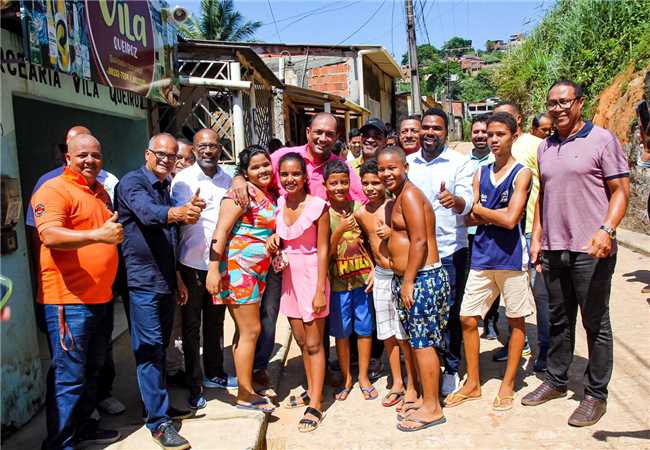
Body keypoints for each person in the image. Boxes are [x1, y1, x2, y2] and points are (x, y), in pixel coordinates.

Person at [230, 113, 365, 392]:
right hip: (284, 259)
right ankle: (259, 367)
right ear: (307, 132)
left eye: (329, 133)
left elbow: (361, 200)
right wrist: (238, 180)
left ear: (336, 137)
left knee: (320, 319)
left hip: (322, 255)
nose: (323, 138)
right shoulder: (284, 156)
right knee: (272, 316)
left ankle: (321, 374)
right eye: (318, 132)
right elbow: (255, 167)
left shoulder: (340, 167)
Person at [522, 80, 630, 427]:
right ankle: (556, 379)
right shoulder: (545, 147)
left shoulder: (602, 140)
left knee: (595, 322)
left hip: (592, 249)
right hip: (555, 248)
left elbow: (620, 191)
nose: (558, 108)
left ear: (580, 103)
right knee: (558, 318)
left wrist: (607, 230)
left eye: (565, 102)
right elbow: (544, 195)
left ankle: (595, 394)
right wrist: (538, 237)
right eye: (552, 103)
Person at [25, 126, 125, 417]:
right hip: (69, 301)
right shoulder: (53, 189)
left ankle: (84, 429)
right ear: (67, 157)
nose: (89, 160)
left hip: (100, 298)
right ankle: (61, 443)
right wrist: (99, 236)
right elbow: (50, 236)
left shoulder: (99, 192)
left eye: (95, 155)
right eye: (82, 155)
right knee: (67, 378)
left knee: (91, 369)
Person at [115, 133, 203, 450]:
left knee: (160, 347)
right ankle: (158, 423)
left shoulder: (165, 186)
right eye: (161, 154)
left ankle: (156, 407)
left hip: (164, 280)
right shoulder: (132, 183)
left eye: (172, 155)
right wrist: (179, 213)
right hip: (141, 282)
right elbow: (147, 214)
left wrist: (177, 278)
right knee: (150, 349)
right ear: (147, 154)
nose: (167, 159)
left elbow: (168, 240)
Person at [447, 112, 534, 412]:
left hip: (511, 258)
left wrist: (483, 211)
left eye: (500, 134)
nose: (493, 139)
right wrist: (487, 212)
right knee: (468, 318)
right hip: (482, 256)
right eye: (490, 134)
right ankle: (473, 383)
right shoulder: (480, 173)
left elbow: (512, 220)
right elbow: (469, 216)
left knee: (515, 320)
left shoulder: (522, 173)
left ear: (514, 136)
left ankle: (508, 383)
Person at [377, 146, 450, 432]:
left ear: (405, 166)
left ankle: (432, 408)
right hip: (409, 278)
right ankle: (425, 398)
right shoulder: (398, 196)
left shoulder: (409, 194)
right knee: (418, 343)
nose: (386, 174)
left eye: (392, 168)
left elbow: (419, 241)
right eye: (381, 169)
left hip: (421, 278)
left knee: (423, 344)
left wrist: (407, 280)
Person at [405, 108, 475, 397]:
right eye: (426, 128)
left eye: (437, 128)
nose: (430, 133)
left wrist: (454, 200)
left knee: (449, 315)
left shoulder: (460, 163)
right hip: (413, 254)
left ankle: (450, 368)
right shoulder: (408, 163)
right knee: (419, 315)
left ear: (446, 132)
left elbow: (468, 203)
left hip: (449, 251)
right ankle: (423, 370)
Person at [205, 146, 277, 413]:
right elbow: (220, 231)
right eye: (255, 167)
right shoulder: (238, 193)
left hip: (255, 272)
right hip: (239, 271)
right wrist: (213, 269)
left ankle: (246, 387)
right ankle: (245, 395)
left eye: (265, 164)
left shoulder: (264, 193)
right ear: (244, 172)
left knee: (244, 331)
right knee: (251, 331)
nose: (262, 170)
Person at [171, 128, 236, 409]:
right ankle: (194, 383)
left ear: (220, 148)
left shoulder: (229, 180)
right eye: (203, 146)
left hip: (219, 263)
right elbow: (173, 222)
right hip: (190, 263)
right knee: (191, 326)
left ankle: (215, 373)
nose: (208, 151)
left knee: (215, 321)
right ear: (195, 150)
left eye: (213, 145)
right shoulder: (182, 181)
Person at [271, 152, 330, 432]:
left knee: (315, 343)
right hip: (289, 277)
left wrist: (320, 289)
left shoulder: (318, 205)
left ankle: (316, 403)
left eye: (295, 174)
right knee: (301, 339)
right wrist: (275, 242)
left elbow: (324, 249)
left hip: (312, 274)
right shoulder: (280, 203)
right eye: (284, 174)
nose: (290, 179)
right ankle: (311, 388)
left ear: (305, 176)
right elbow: (282, 238)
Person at [355, 159, 418, 410]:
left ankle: (413, 383)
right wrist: (370, 267)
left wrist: (392, 234)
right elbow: (362, 244)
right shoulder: (361, 212)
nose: (370, 188)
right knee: (387, 334)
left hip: (400, 274)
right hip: (381, 275)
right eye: (366, 183)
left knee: (405, 334)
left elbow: (414, 237)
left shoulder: (395, 205)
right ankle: (397, 383)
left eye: (375, 182)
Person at [491, 101, 544, 367]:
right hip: (506, 233)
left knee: (540, 296)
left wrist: (540, 232)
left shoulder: (536, 145)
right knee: (513, 298)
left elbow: (547, 188)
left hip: (532, 230)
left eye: (506, 119)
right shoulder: (497, 151)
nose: (500, 125)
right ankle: (518, 348)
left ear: (518, 121)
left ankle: (544, 352)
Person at [323, 160, 375, 401]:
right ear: (325, 185)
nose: (339, 187)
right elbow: (326, 252)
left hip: (362, 280)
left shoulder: (359, 208)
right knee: (342, 333)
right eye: (334, 183)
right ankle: (346, 377)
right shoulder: (324, 213)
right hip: (337, 285)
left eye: (344, 182)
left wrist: (375, 269)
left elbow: (372, 242)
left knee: (364, 330)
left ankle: (363, 376)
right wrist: (339, 231)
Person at [166, 136, 196, 384]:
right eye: (179, 158)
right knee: (174, 322)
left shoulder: (191, 186)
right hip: (169, 265)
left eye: (189, 158)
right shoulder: (163, 186)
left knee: (191, 320)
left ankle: (188, 365)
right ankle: (174, 369)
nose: (183, 163)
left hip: (191, 262)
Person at [466, 114, 498, 340]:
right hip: (467, 231)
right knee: (470, 277)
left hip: (489, 229)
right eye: (476, 132)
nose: (479, 136)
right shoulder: (462, 163)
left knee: (492, 278)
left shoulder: (497, 162)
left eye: (484, 132)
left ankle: (492, 322)